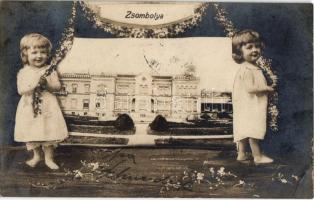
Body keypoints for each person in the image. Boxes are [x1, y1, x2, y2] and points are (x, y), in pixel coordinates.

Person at [14, 33, 68, 170]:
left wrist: (47, 85)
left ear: (48, 54)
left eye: (43, 52)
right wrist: (34, 85)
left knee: (48, 131)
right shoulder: (24, 72)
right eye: (34, 52)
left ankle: (49, 158)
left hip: (48, 106)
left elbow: (57, 87)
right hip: (29, 107)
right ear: (25, 54)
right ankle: (37, 155)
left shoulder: (50, 71)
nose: (39, 56)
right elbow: (21, 90)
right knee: (32, 132)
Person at [232, 30, 275, 164]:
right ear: (240, 51)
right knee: (253, 129)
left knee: (245, 129)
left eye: (257, 46)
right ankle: (257, 156)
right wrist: (267, 88)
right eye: (249, 47)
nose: (254, 50)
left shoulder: (252, 67)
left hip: (249, 104)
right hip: (251, 105)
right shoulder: (247, 69)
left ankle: (242, 154)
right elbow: (250, 89)